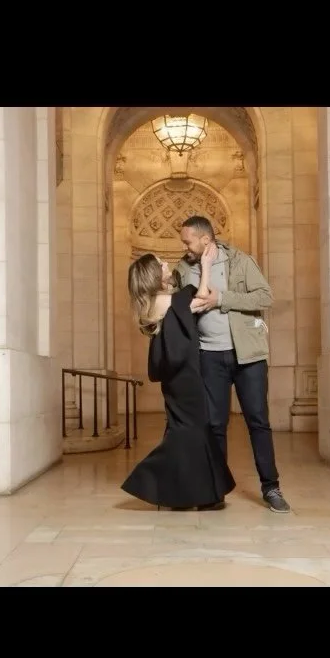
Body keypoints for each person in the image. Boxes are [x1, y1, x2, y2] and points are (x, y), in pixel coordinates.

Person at [173, 215, 291, 513]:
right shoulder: (183, 269)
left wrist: (222, 298)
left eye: (188, 241)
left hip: (248, 356)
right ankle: (215, 490)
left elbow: (265, 297)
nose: (184, 247)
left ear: (205, 239)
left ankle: (271, 487)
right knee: (214, 425)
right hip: (208, 356)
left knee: (258, 421)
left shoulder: (240, 261)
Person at [120, 247, 236, 511]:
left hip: (176, 377)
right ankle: (151, 481)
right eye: (160, 264)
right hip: (186, 376)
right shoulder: (169, 301)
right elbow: (202, 299)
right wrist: (206, 265)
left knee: (184, 430)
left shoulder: (154, 304)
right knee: (191, 430)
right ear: (154, 276)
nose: (165, 264)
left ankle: (184, 494)